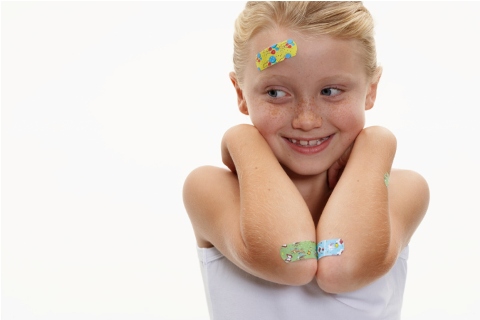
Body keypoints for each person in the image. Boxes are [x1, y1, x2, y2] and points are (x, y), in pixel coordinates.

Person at [183, 1, 429, 319]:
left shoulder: (401, 191)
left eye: (330, 90)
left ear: (371, 89)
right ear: (241, 94)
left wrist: (377, 143)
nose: (307, 120)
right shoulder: (211, 189)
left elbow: (340, 268)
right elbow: (293, 260)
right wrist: (241, 138)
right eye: (275, 93)